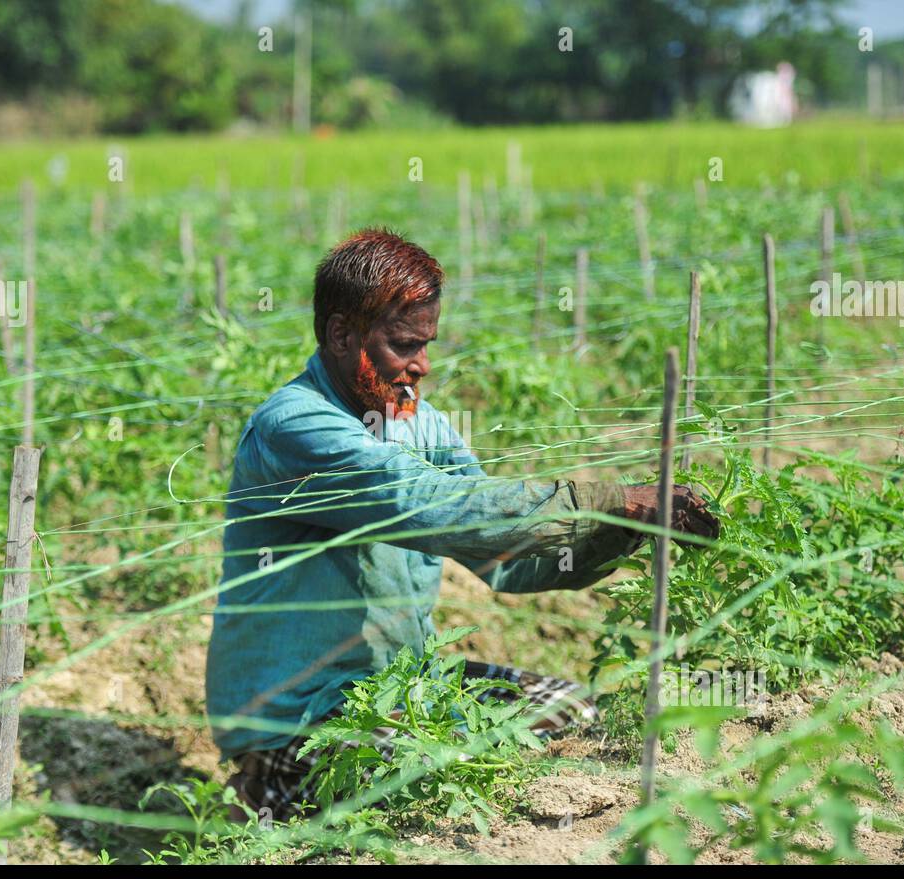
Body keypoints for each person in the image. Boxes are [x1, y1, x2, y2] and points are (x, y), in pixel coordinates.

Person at [205, 227, 719, 822]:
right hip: (298, 716)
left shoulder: (419, 423)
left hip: (399, 688)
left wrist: (624, 532)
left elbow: (505, 558)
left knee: (569, 713)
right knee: (419, 781)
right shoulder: (294, 427)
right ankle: (263, 795)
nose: (421, 366)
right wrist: (612, 499)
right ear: (342, 334)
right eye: (403, 345)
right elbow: (428, 502)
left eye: (427, 344)